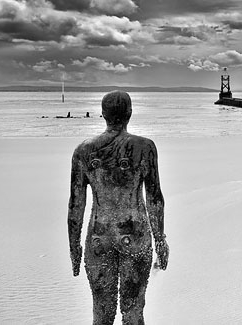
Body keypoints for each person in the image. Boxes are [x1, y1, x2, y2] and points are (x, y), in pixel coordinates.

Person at [68, 91, 169, 324]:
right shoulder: (145, 147)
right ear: (130, 114)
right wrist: (161, 239)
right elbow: (154, 197)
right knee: (133, 311)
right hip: (135, 235)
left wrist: (74, 246)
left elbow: (76, 205)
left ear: (103, 115)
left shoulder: (83, 151)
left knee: (101, 313)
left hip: (98, 238)